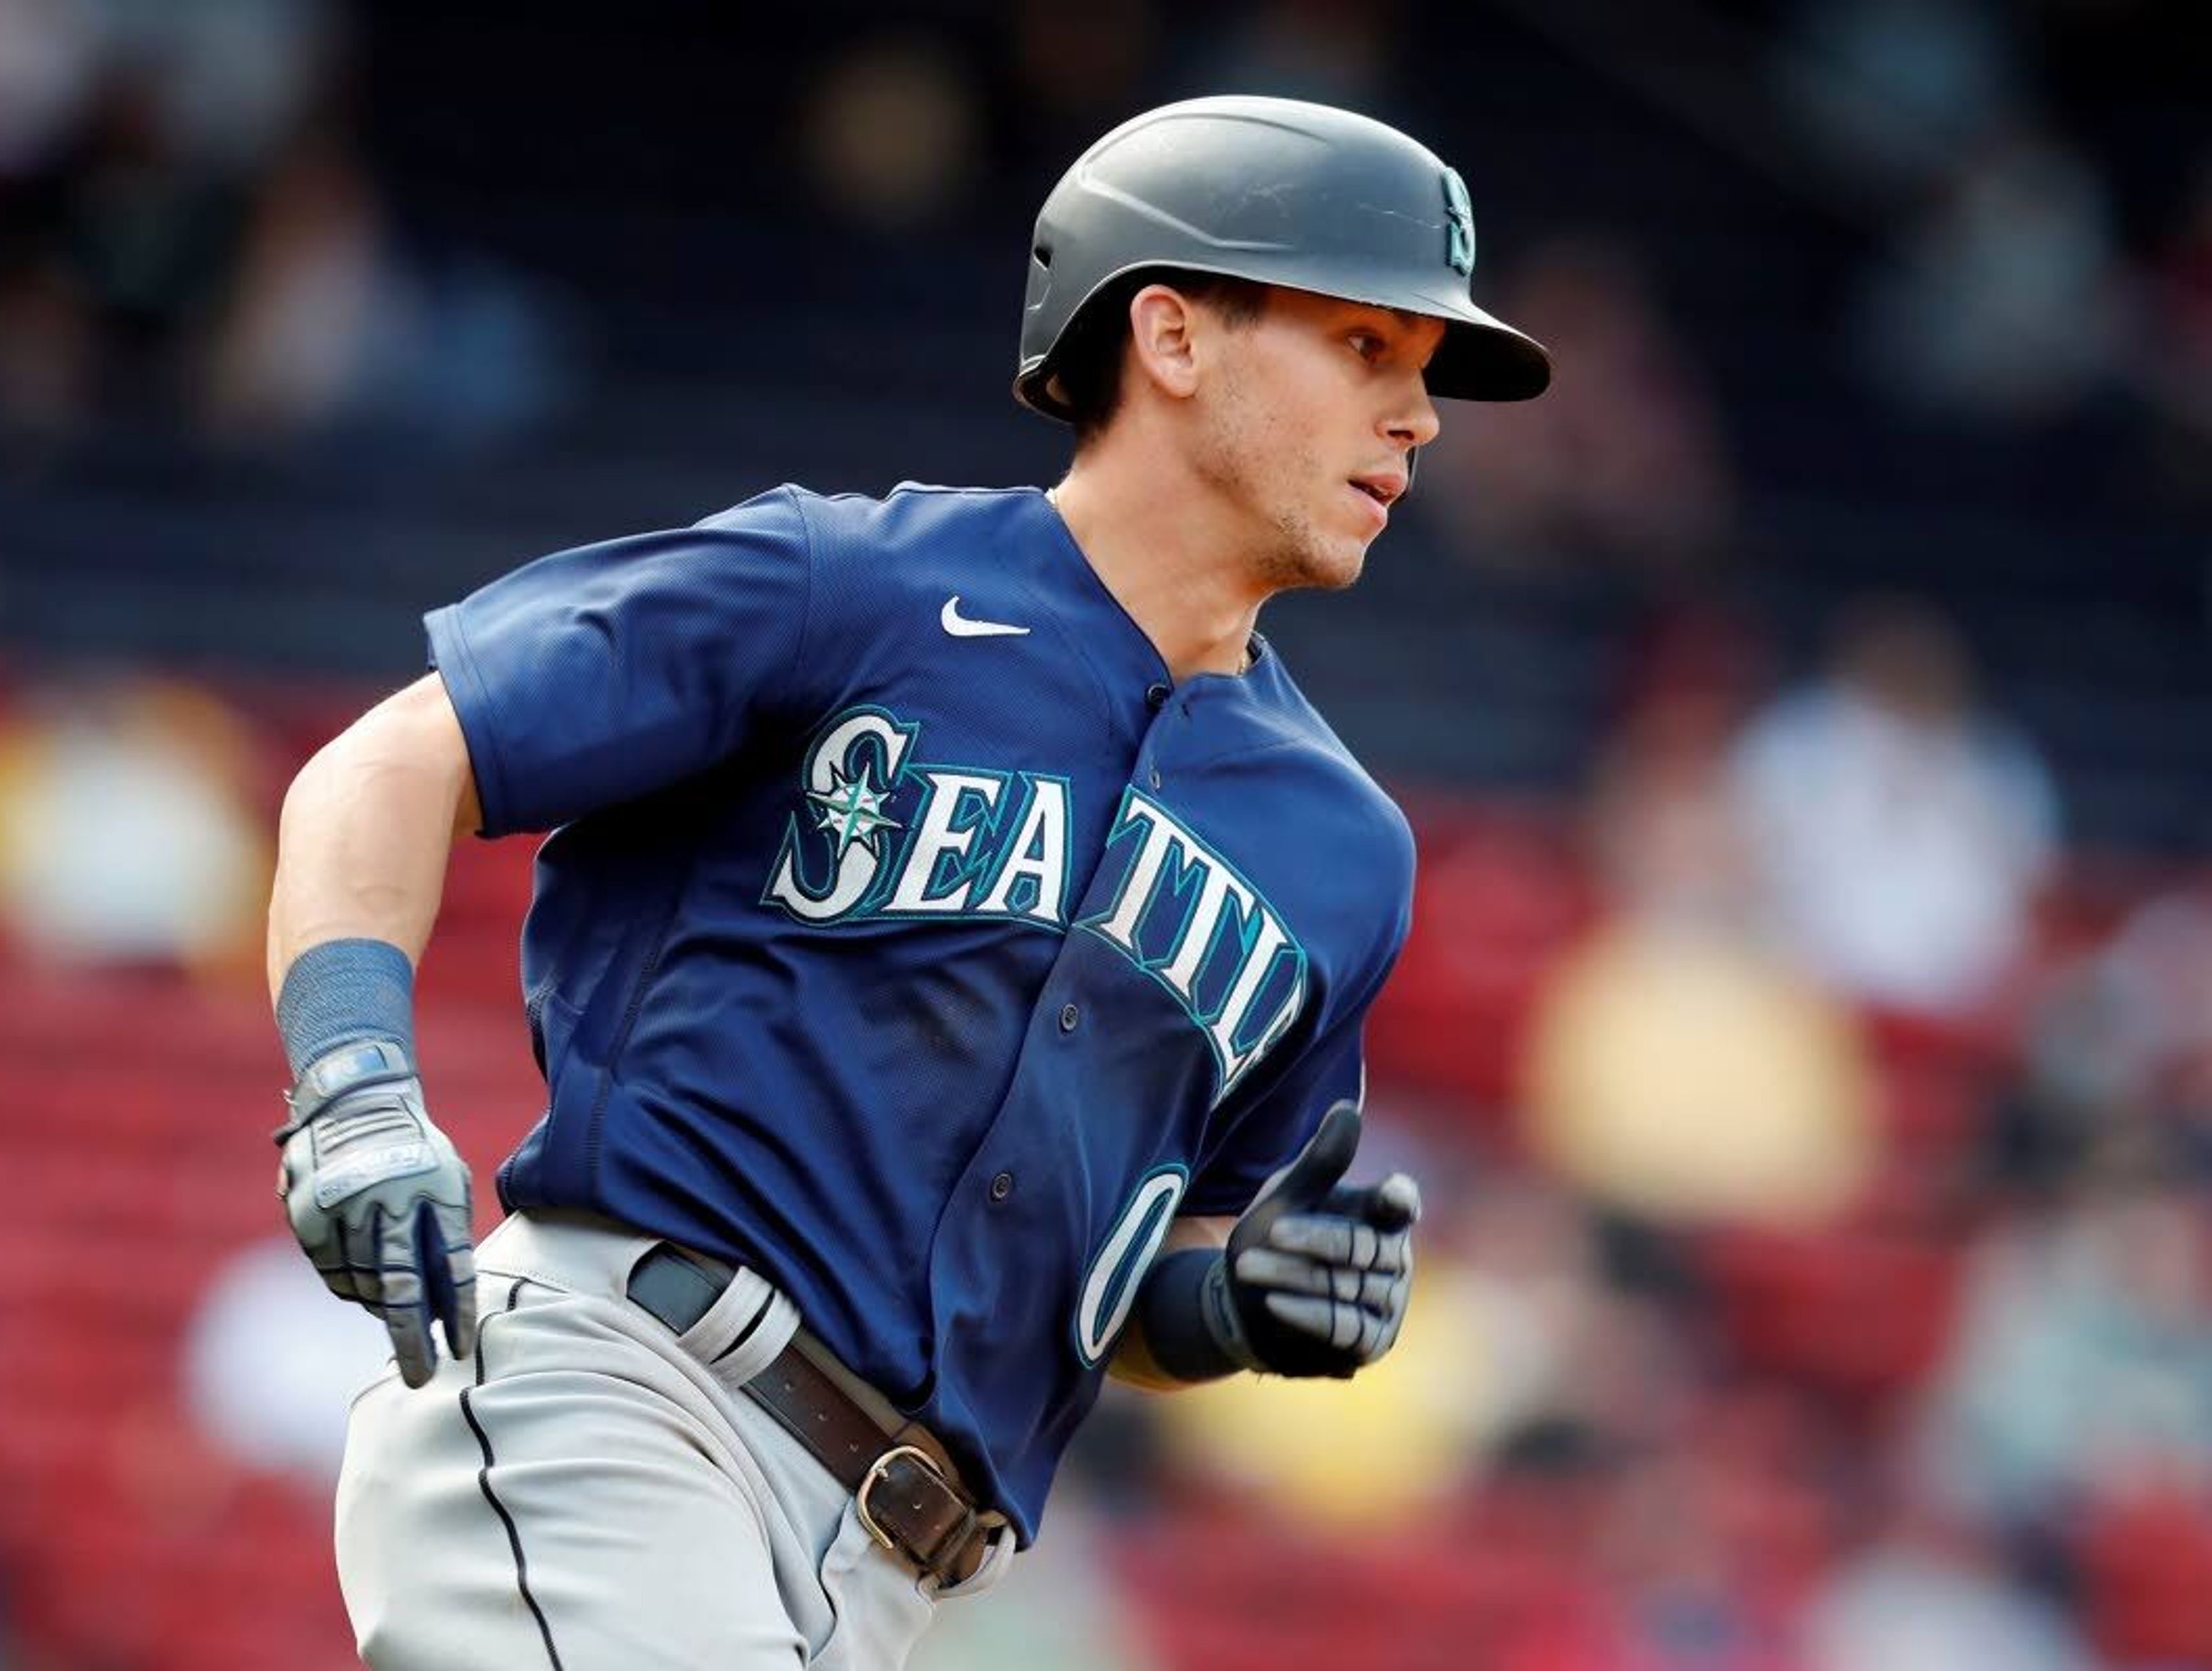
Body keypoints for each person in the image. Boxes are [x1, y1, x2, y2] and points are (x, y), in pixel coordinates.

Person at [264, 94, 1551, 1670]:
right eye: (1366, 345)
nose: (1417, 414)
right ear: (1172, 333)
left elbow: (1147, 1269)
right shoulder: (852, 588)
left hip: (901, 1592)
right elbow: (392, 763)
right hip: (625, 1404)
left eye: (1427, 373)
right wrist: (352, 1084)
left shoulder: (1341, 847)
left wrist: (1230, 1310)